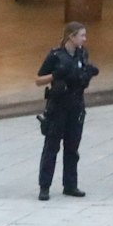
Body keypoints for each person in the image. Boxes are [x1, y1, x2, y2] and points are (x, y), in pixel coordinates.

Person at [34, 22, 99, 201]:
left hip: (76, 104)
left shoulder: (82, 54)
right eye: (82, 36)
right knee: (51, 147)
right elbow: (38, 80)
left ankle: (70, 184)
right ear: (71, 36)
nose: (85, 39)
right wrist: (55, 76)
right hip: (58, 106)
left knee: (72, 147)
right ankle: (44, 185)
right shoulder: (56, 55)